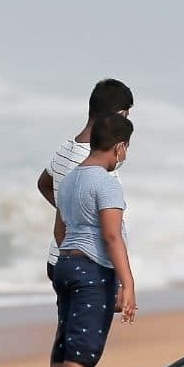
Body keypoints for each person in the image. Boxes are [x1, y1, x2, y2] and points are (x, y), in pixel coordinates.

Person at [48, 112, 137, 367]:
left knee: (64, 341)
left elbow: (60, 229)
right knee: (83, 342)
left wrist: (71, 259)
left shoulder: (70, 179)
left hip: (66, 263)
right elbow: (112, 236)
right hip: (91, 268)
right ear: (119, 147)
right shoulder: (106, 182)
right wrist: (127, 283)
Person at [35, 78, 134, 281]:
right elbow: (111, 233)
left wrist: (74, 215)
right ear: (118, 115)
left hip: (61, 257)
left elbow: (44, 184)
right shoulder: (95, 161)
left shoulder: (65, 148)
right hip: (88, 261)